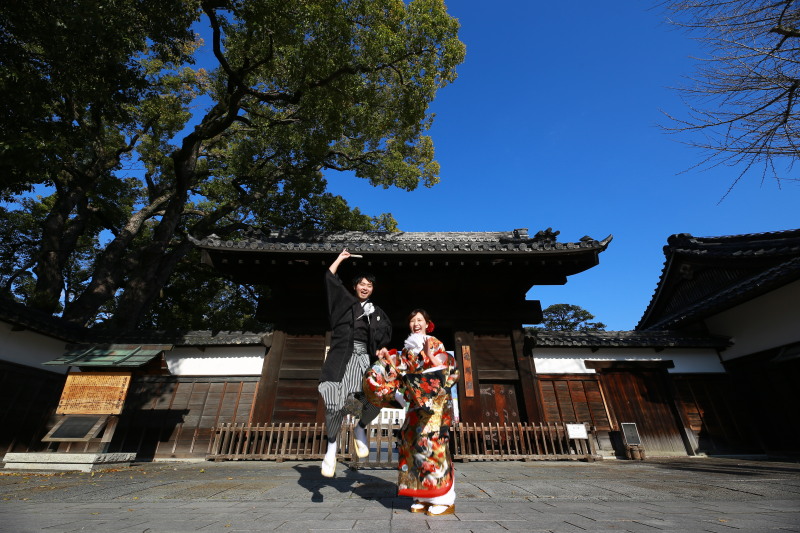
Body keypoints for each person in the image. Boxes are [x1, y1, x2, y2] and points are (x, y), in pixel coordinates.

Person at [364, 309, 459, 516]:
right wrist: (386, 360)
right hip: (415, 405)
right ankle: (422, 495)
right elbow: (399, 374)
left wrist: (431, 355)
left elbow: (447, 372)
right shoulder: (407, 350)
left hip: (434, 406)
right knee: (413, 445)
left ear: (428, 324)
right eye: (412, 321)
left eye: (419, 320)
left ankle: (443, 498)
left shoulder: (435, 343)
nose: (416, 324)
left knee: (433, 445)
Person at [318, 248, 392, 477]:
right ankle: (331, 449)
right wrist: (340, 258)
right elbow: (330, 278)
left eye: (369, 285)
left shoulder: (376, 312)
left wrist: (381, 347)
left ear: (373, 289)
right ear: (354, 286)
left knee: (375, 396)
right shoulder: (344, 303)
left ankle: (359, 428)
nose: (365, 287)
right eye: (361, 284)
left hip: (363, 359)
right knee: (334, 403)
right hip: (340, 358)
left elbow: (384, 334)